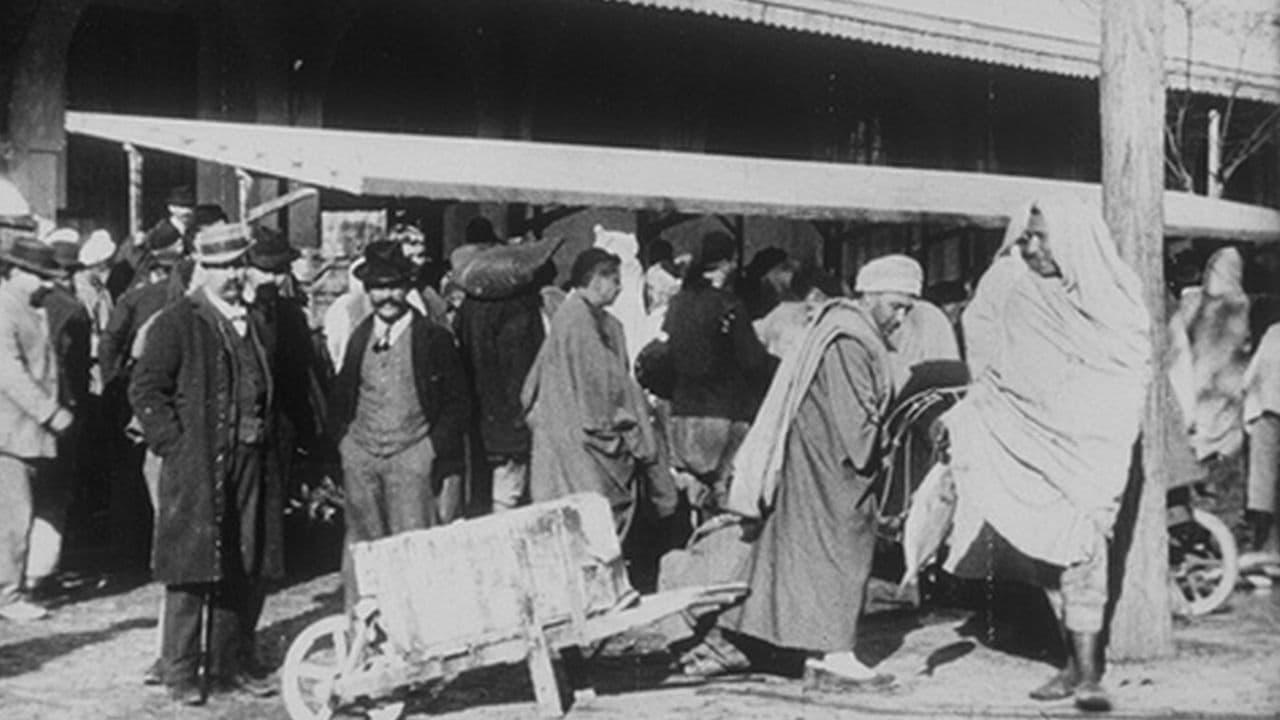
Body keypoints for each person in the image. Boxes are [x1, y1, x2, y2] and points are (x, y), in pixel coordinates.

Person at [940, 199, 1150, 712]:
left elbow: (1127, 371)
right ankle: (1072, 662)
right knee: (1049, 552)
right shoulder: (1015, 287)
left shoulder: (1116, 295)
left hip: (1091, 444)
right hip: (1030, 437)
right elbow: (993, 357)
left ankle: (1091, 670)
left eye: (1041, 238)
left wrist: (1083, 417)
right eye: (1026, 238)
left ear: (1074, 240)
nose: (1030, 248)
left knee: (1084, 550)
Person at [688, 254, 914, 684]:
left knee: (807, 561)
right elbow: (857, 430)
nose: (900, 318)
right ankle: (834, 653)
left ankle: (819, 649)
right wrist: (890, 439)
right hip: (834, 471)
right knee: (840, 556)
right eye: (895, 305)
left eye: (906, 308)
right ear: (868, 295)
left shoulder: (843, 328)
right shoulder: (849, 339)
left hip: (818, 463)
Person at [129, 222, 282, 705]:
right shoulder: (178, 322)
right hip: (196, 462)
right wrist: (173, 444)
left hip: (251, 459)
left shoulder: (255, 320)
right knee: (191, 569)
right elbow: (146, 389)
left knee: (243, 560)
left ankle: (227, 665)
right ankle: (179, 672)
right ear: (202, 270)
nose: (234, 275)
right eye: (222, 267)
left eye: (239, 264)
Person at [328, 241, 470, 609]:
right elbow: (341, 394)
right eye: (378, 287)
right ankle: (365, 634)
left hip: (411, 459)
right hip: (363, 459)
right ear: (368, 289)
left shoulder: (433, 338)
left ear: (407, 287)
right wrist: (347, 446)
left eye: (394, 286)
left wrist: (427, 451)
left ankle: (416, 635)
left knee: (415, 550)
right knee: (362, 551)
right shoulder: (360, 335)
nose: (386, 296)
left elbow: (460, 404)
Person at [521, 248, 677, 534]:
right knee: (593, 526)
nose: (619, 288)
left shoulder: (575, 317)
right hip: (580, 443)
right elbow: (609, 384)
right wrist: (640, 418)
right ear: (596, 279)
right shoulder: (579, 320)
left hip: (560, 434)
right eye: (614, 280)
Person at [663, 231, 773, 513]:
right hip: (722, 419)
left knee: (693, 502)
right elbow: (752, 361)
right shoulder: (729, 305)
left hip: (681, 418)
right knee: (723, 499)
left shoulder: (678, 303)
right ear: (727, 262)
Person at [0, 215, 74, 622]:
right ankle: (8, 597)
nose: (48, 284)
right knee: (11, 516)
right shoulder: (3, 309)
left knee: (18, 512)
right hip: (10, 431)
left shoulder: (24, 305)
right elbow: (8, 372)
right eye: (41, 276)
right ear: (16, 271)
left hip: (25, 431)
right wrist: (49, 412)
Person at [456, 239, 560, 514]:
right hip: (514, 425)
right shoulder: (520, 309)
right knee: (510, 496)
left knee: (487, 494)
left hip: (482, 422)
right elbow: (522, 370)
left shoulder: (470, 307)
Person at [24, 230, 92, 598]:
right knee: (53, 494)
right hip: (60, 411)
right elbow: (77, 369)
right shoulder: (71, 309)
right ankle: (40, 574)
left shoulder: (16, 304)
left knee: (19, 498)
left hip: (19, 414)